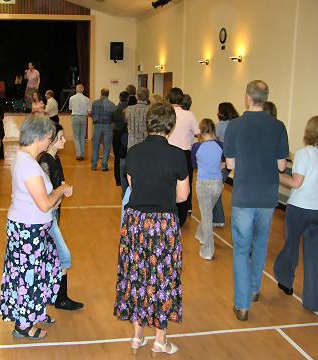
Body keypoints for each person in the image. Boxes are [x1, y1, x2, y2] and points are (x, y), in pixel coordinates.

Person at [114, 102, 189, 356]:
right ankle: (160, 340)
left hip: (135, 222)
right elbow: (182, 197)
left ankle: (137, 336)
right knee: (162, 278)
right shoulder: (177, 155)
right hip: (163, 224)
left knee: (136, 274)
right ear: (171, 125)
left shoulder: (133, 152)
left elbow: (133, 186)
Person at [0, 116, 73, 339]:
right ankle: (23, 325)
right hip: (27, 229)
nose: (49, 142)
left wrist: (57, 194)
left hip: (33, 227)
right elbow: (44, 204)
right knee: (27, 277)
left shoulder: (27, 160)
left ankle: (34, 313)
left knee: (42, 272)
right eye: (49, 138)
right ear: (39, 138)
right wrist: (61, 190)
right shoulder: (28, 165)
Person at [224, 80, 289, 321]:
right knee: (260, 243)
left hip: (243, 195)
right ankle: (254, 289)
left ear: (247, 98)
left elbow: (230, 165)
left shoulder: (235, 126)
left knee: (241, 248)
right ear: (266, 98)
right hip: (268, 195)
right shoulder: (278, 126)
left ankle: (242, 306)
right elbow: (281, 166)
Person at [274, 116, 318, 312]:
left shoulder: (304, 153)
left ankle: (285, 280)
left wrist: (275, 174)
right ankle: (314, 301)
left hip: (299, 209)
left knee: (291, 246)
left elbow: (296, 183)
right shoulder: (307, 155)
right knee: (312, 255)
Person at [39, 123, 84, 311]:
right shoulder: (45, 162)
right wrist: (62, 191)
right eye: (61, 138)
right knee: (63, 256)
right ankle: (60, 298)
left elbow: (58, 184)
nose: (65, 140)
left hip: (54, 213)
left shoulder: (55, 159)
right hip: (47, 215)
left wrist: (63, 189)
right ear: (51, 141)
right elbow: (46, 195)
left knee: (51, 255)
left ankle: (52, 294)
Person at [191, 118, 224, 260]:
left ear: (201, 130)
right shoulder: (221, 145)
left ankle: (208, 250)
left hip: (203, 183)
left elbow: (194, 165)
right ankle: (200, 234)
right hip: (217, 184)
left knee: (206, 215)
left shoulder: (196, 146)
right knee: (207, 212)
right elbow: (227, 162)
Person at [167, 87, 200, 227]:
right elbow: (199, 133)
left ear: (169, 99)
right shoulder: (189, 115)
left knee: (167, 183)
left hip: (167, 152)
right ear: (181, 100)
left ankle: (168, 214)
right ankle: (181, 217)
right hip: (184, 154)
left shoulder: (166, 113)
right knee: (185, 184)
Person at [212, 102, 239, 227]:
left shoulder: (219, 126)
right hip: (238, 160)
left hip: (223, 160)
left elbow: (213, 142)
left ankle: (218, 218)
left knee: (215, 188)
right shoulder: (238, 124)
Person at [91, 88, 116, 171]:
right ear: (108, 94)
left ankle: (94, 165)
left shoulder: (95, 103)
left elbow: (92, 114)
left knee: (95, 146)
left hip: (97, 125)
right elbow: (113, 117)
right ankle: (104, 165)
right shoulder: (112, 104)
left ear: (101, 93)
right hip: (107, 126)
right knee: (107, 146)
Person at [111, 91, 129, 187]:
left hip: (116, 134)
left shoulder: (115, 109)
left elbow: (112, 123)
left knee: (117, 157)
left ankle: (118, 180)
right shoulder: (129, 109)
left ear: (120, 98)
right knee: (126, 157)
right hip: (126, 134)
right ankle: (126, 179)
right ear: (128, 98)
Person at [68, 84, 91, 160]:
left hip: (75, 117)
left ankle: (79, 154)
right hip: (84, 118)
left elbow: (70, 108)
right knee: (82, 136)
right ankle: (82, 154)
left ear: (76, 90)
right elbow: (89, 111)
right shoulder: (87, 99)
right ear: (83, 90)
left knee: (76, 137)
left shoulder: (72, 98)